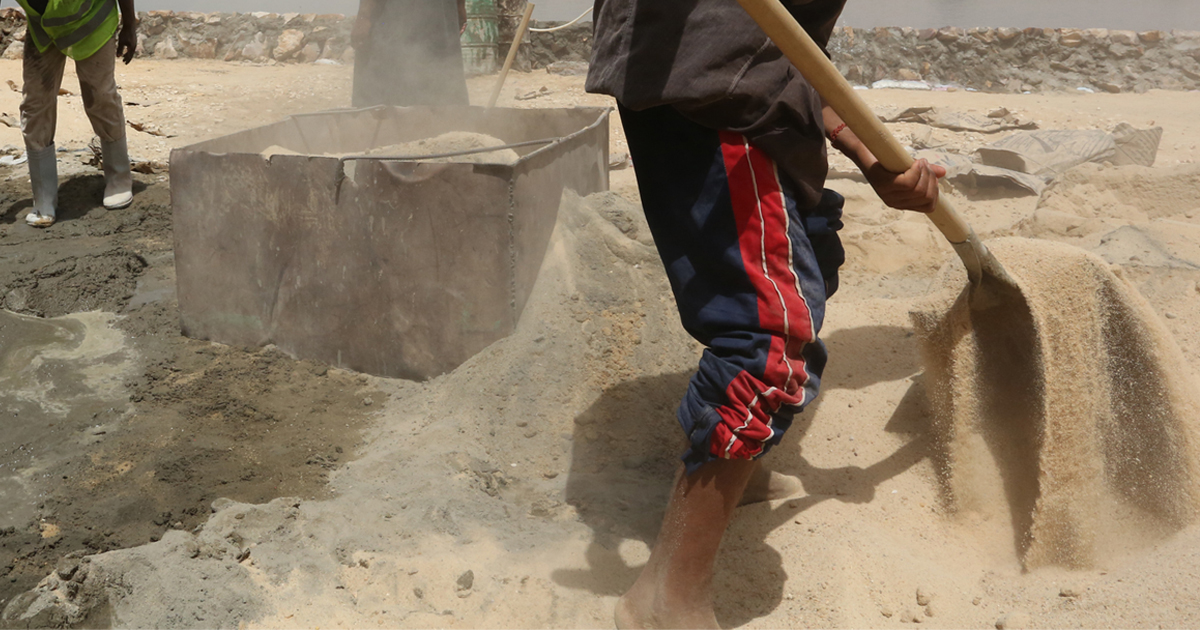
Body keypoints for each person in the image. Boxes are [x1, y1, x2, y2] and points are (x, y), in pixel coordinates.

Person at [585, 0, 947, 627]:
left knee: (810, 261)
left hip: (767, 93)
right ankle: (665, 600)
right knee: (770, 337)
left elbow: (796, 44)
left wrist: (871, 155)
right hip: (708, 88)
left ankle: (735, 474)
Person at [16, 0, 137, 228]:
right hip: (45, 28)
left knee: (100, 96)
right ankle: (43, 197)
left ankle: (118, 178)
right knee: (35, 102)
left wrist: (130, 24)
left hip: (93, 21)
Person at [351, 0, 470, 108]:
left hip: (397, 14)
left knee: (384, 74)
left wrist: (364, 16)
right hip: (440, 12)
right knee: (438, 75)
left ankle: (387, 121)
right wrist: (459, 6)